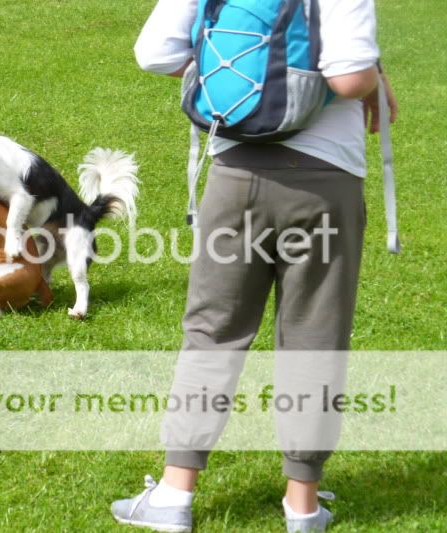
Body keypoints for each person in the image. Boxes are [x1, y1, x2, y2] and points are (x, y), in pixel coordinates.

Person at [111, 0, 398, 531]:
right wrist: (375, 74)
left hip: (235, 175)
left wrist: (248, 78)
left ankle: (174, 496)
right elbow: (349, 77)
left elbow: (153, 53)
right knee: (316, 334)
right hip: (325, 180)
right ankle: (303, 504)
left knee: (212, 330)